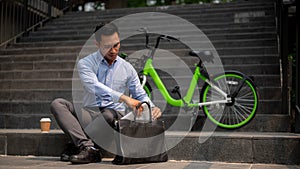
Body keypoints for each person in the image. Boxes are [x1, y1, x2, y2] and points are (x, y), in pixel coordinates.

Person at [50, 23, 162, 164]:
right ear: (97, 44)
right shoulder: (86, 63)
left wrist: (151, 107)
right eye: (107, 46)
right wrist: (123, 97)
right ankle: (88, 147)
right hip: (89, 114)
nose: (113, 50)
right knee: (58, 104)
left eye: (116, 45)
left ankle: (77, 145)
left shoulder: (127, 68)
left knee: (109, 114)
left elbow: (139, 94)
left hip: (114, 117)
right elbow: (93, 86)